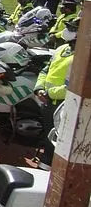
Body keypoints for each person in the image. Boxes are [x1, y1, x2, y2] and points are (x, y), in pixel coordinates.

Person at [34, 14, 79, 170]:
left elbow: (74, 85)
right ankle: (45, 168)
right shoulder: (62, 48)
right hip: (48, 102)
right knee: (48, 138)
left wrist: (50, 93)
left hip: (64, 105)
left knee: (58, 144)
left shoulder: (82, 56)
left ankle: (47, 171)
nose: (66, 31)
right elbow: (46, 69)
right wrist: (40, 88)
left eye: (72, 29)